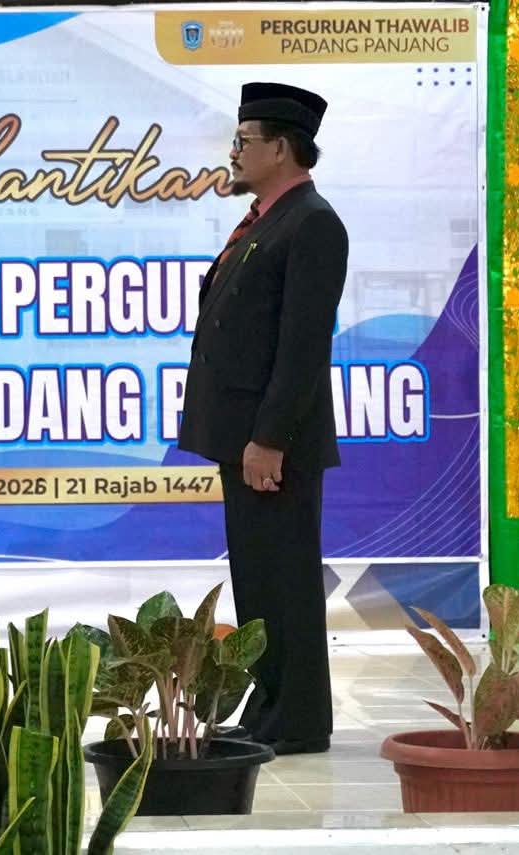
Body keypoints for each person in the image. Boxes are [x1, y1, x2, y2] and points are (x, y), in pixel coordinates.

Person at [178, 82, 348, 756]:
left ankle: (299, 719)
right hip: (245, 438)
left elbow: (302, 347)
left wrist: (269, 437)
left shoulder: (312, 222)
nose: (234, 151)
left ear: (281, 148)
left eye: (244, 140)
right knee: (259, 580)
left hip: (274, 443)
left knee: (286, 579)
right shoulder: (266, 219)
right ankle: (271, 706)